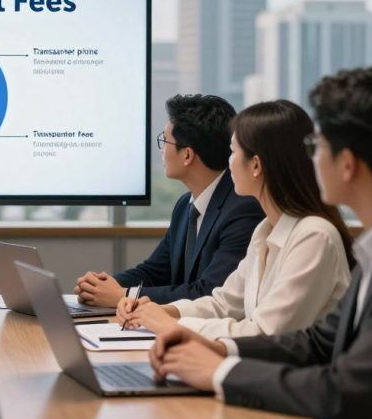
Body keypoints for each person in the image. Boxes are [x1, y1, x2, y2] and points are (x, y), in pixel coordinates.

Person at [149, 68, 372, 419]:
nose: (309, 160)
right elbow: (317, 342)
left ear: (347, 164)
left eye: (316, 148)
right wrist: (214, 347)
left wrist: (218, 370)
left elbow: (345, 391)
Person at [120, 100, 352, 338]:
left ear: (255, 165)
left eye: (232, 152)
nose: (227, 162)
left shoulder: (314, 237)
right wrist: (158, 310)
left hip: (294, 373)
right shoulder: (265, 230)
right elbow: (223, 303)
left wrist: (171, 325)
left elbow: (265, 333)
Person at [75, 95, 264, 306]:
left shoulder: (243, 208)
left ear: (187, 155)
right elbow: (155, 271)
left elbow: (211, 292)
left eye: (164, 141)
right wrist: (99, 287)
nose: (161, 150)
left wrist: (124, 295)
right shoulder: (185, 205)